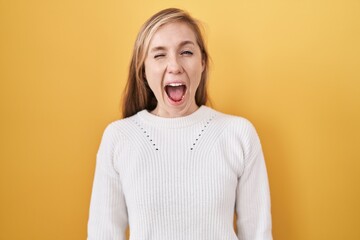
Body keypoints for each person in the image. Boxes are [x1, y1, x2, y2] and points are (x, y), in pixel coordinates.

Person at [87, 8, 272, 240]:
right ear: (143, 69)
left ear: (203, 62)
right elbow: (103, 234)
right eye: (159, 55)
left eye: (186, 52)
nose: (174, 66)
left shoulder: (238, 134)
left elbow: (257, 234)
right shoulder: (119, 137)